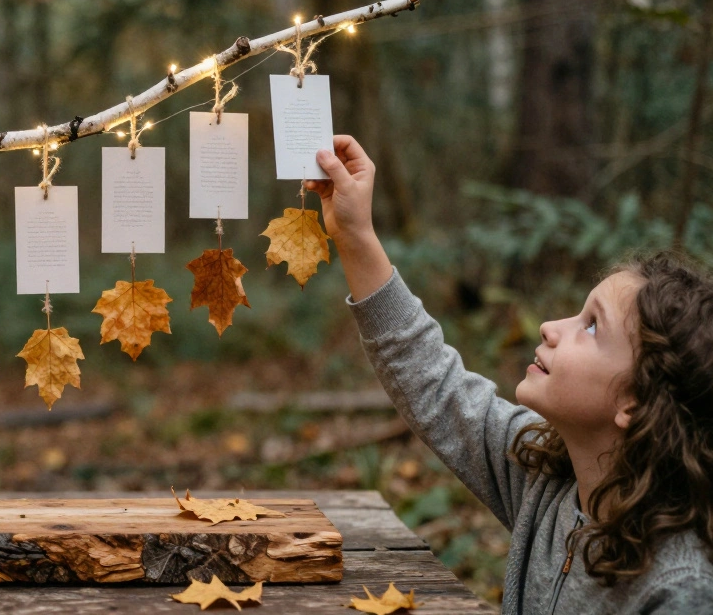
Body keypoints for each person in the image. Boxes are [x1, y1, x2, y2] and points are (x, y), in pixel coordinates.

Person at [305, 135, 713, 614]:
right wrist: (354, 235)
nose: (551, 327)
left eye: (591, 326)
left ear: (636, 402)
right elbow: (434, 383)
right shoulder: (548, 476)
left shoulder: (680, 590)